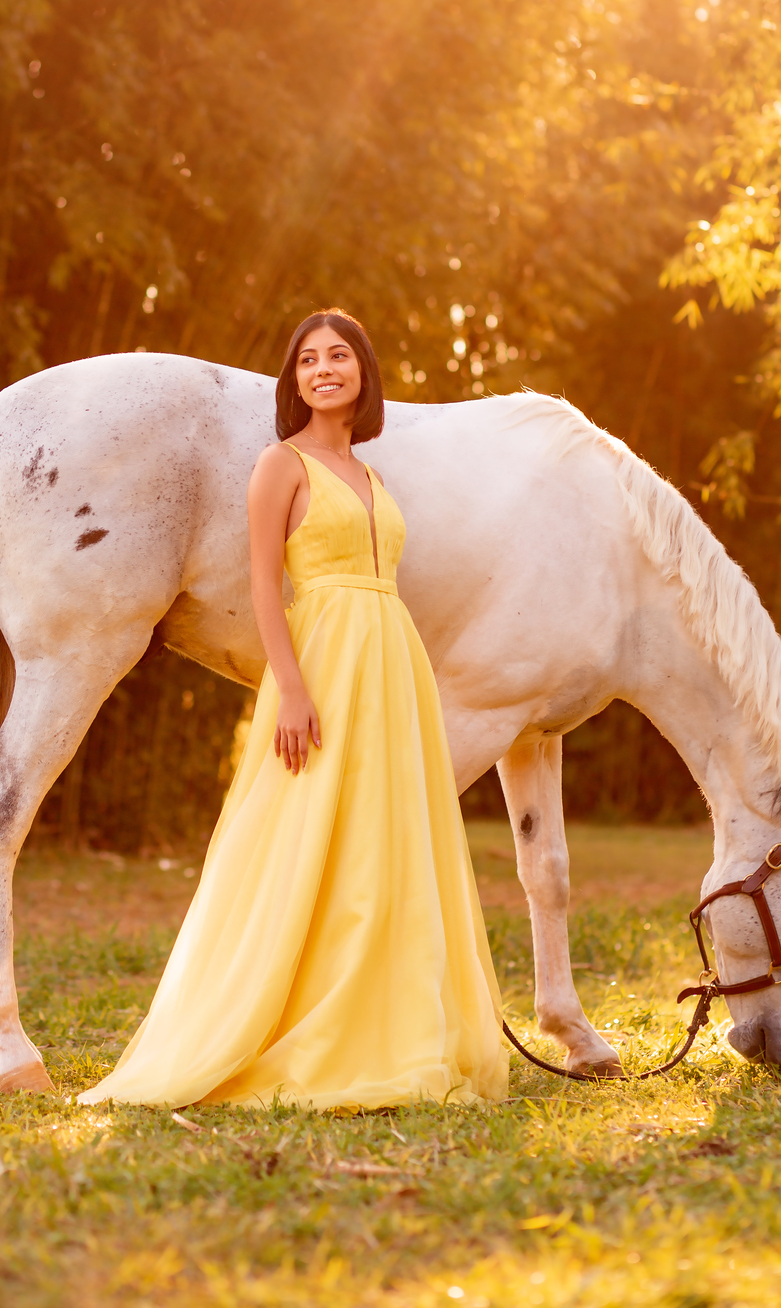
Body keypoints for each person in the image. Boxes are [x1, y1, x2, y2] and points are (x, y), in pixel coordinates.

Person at [78, 309, 507, 1109]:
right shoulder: (281, 465)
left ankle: (388, 1016)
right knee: (301, 832)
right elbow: (263, 586)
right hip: (322, 656)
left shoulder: (373, 478)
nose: (323, 369)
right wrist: (293, 688)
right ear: (294, 382)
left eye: (338, 356)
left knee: (383, 838)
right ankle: (276, 1015)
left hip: (389, 659)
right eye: (308, 360)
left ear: (362, 373)